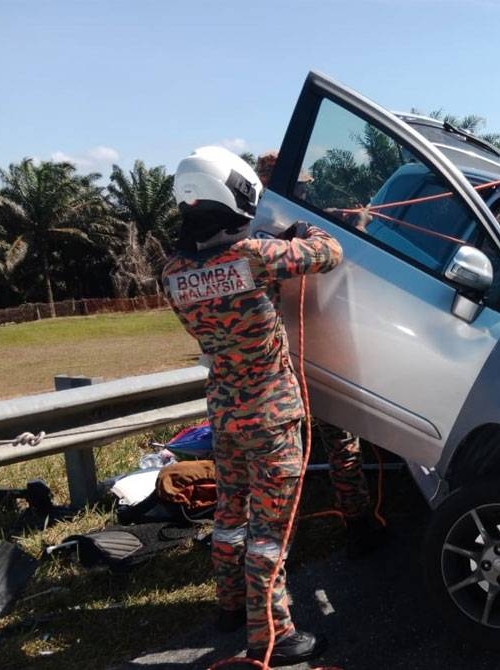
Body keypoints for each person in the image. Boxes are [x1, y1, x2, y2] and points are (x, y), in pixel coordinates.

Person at [162, 146, 336, 665]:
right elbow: (329, 253)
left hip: (224, 412)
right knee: (269, 532)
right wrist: (302, 232)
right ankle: (274, 637)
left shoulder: (170, 270)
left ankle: (228, 606)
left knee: (230, 516)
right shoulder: (256, 256)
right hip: (272, 415)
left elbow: (215, 269)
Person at [255, 150, 382, 560]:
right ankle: (350, 526)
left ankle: (344, 525)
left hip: (284, 356)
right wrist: (349, 226)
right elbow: (330, 250)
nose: (307, 189)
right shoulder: (267, 236)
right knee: (334, 443)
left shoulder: (247, 229)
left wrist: (353, 219)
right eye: (301, 185)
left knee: (309, 449)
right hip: (295, 355)